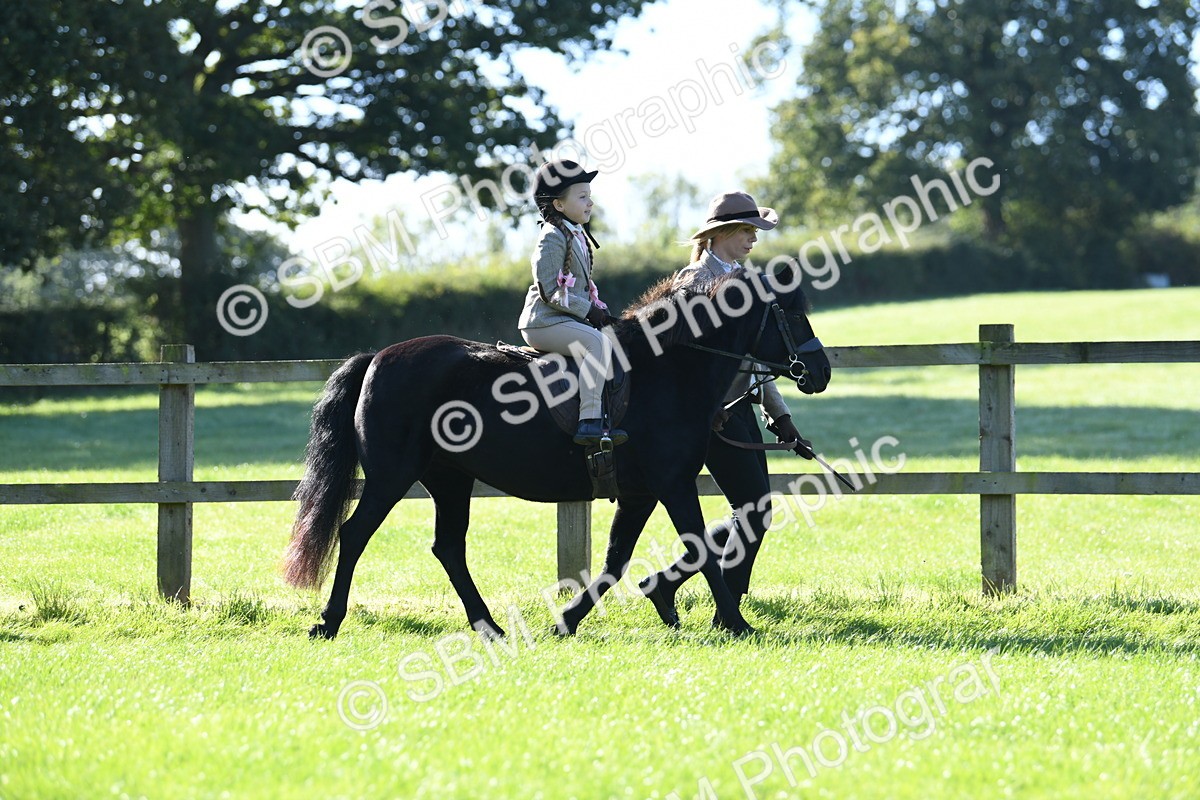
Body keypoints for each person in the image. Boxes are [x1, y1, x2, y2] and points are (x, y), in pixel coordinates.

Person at [639, 191, 811, 628]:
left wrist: (781, 418)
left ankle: (669, 584)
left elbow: (755, 361)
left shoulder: (746, 281)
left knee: (754, 511)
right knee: (754, 512)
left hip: (741, 410)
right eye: (747, 230)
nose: (754, 238)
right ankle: (726, 611)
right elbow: (679, 360)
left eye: (756, 231)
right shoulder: (692, 281)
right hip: (709, 416)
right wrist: (708, 406)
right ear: (721, 234)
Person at [518, 160, 626, 446]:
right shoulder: (551, 237)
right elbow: (550, 290)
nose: (590, 203)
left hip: (564, 319)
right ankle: (589, 421)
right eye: (582, 197)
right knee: (597, 344)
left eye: (589, 196)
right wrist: (588, 310)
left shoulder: (575, 234)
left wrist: (599, 309)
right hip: (543, 322)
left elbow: (579, 287)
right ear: (559, 204)